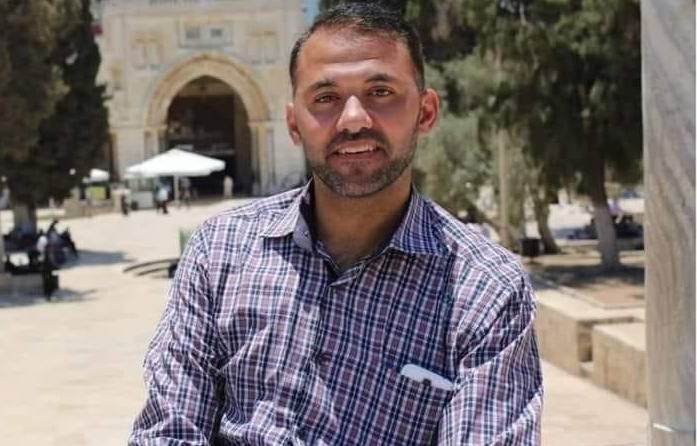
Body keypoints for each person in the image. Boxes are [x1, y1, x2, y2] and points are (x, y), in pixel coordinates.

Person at [129, 3, 543, 445]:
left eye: (380, 91)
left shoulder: (486, 290)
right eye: (325, 98)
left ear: (425, 112)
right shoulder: (219, 252)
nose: (354, 119)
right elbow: (169, 432)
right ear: (294, 124)